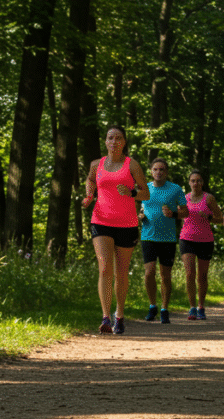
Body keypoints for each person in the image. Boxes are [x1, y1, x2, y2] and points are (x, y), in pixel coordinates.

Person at [82, 126, 149, 335]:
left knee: (121, 273)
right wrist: (89, 194)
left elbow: (145, 193)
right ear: (105, 142)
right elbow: (91, 179)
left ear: (124, 142)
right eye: (110, 138)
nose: (114, 141)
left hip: (127, 224)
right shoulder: (96, 164)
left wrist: (131, 192)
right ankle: (105, 316)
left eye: (118, 138)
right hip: (101, 220)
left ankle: (119, 315)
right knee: (104, 269)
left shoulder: (132, 165)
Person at [140, 158, 189, 324]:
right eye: (155, 169)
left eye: (162, 170)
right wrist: (140, 216)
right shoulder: (144, 188)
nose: (158, 172)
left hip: (167, 239)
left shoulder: (175, 189)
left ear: (166, 172)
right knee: (149, 273)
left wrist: (174, 215)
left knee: (165, 275)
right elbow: (142, 208)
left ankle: (164, 309)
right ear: (151, 171)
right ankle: (152, 305)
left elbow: (186, 212)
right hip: (148, 236)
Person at [180, 169, 223, 320]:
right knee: (190, 273)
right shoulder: (184, 198)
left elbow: (221, 218)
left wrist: (210, 216)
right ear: (189, 183)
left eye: (198, 180)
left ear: (202, 183)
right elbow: (178, 215)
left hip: (205, 240)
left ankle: (201, 306)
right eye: (193, 181)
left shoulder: (209, 198)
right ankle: (192, 308)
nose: (196, 183)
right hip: (187, 239)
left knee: (202, 276)